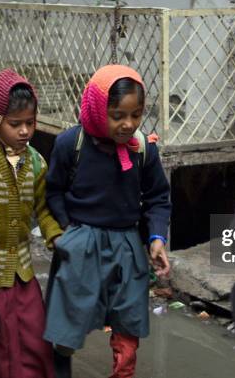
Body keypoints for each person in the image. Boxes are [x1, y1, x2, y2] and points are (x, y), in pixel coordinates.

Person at [44, 64, 172, 378]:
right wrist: (63, 235)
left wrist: (156, 238)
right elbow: (54, 191)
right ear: (97, 108)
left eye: (137, 114)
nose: (128, 124)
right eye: (118, 115)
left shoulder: (144, 149)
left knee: (128, 324)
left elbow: (157, 198)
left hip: (127, 246)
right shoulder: (69, 145)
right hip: (80, 245)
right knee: (65, 327)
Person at [0, 68, 62, 378]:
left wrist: (55, 236)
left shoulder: (37, 162)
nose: (25, 131)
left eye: (30, 123)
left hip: (24, 271)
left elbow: (43, 209)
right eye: (15, 124)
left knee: (32, 337)